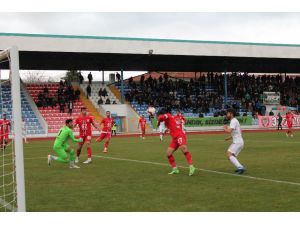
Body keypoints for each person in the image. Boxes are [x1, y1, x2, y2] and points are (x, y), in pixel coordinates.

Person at [156, 108, 195, 176]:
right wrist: (162, 132)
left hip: (179, 135)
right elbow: (167, 126)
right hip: (174, 139)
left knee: (184, 149)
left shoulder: (168, 115)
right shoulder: (166, 121)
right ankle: (175, 169)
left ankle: (191, 167)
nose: (157, 117)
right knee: (168, 153)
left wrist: (159, 120)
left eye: (158, 115)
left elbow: (162, 117)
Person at [223, 109, 245, 174]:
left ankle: (240, 167)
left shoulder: (233, 121)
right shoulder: (234, 121)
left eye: (227, 113)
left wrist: (224, 128)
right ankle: (239, 167)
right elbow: (237, 132)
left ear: (231, 114)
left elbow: (229, 131)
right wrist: (229, 138)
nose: (226, 115)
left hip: (237, 142)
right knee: (232, 155)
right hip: (239, 141)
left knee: (229, 154)